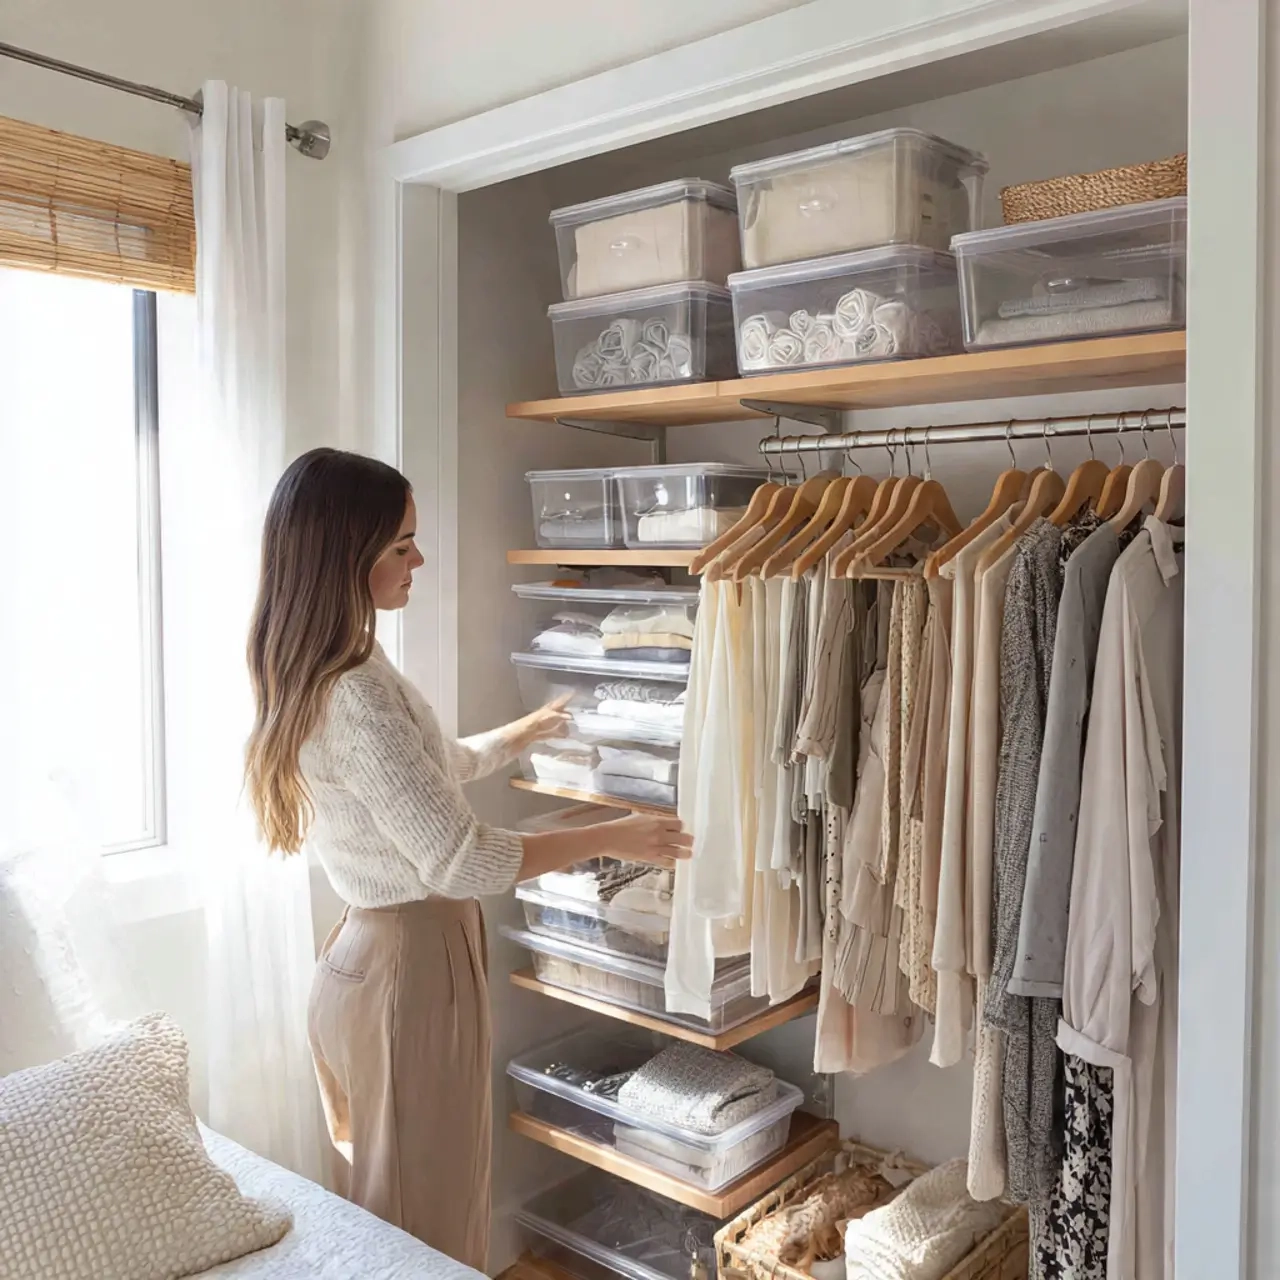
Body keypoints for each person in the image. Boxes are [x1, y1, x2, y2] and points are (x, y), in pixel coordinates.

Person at [244, 448, 691, 1268]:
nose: (418, 559)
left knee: (399, 1203)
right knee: (424, 1221)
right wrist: (608, 834)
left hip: (372, 957)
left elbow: (419, 772)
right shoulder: (356, 690)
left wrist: (516, 737)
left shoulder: (327, 661)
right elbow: (464, 861)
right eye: (399, 545)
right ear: (345, 555)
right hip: (409, 966)